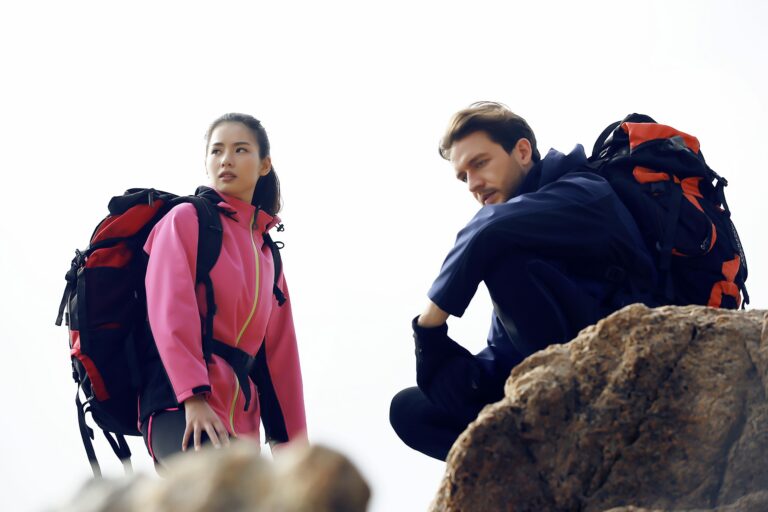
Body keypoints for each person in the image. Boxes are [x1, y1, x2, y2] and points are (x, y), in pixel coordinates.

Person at [389, 102, 658, 461]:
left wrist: (429, 328)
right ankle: (530, 469)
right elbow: (507, 353)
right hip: (532, 386)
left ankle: (562, 445)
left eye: (480, 163)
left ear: (522, 151)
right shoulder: (513, 227)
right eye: (463, 177)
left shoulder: (586, 193)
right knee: (409, 409)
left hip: (606, 369)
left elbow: (488, 229)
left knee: (502, 255)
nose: (473, 184)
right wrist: (458, 379)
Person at [138, 113, 306, 467]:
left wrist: (297, 456)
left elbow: (280, 360)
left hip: (241, 426)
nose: (226, 159)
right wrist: (193, 398)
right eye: (216, 151)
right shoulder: (186, 219)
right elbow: (170, 311)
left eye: (240, 149)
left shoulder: (267, 255)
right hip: (180, 407)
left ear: (264, 165)